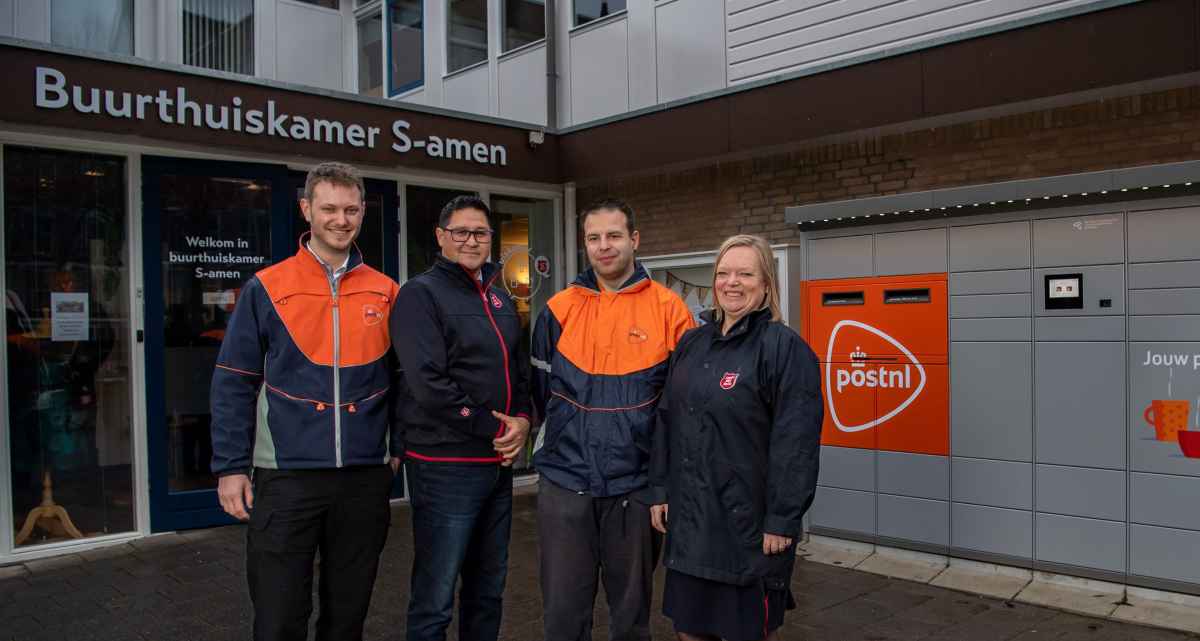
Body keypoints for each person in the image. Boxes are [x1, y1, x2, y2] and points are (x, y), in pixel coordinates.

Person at [210, 162, 400, 641]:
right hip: (286, 476)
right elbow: (233, 379)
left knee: (347, 616)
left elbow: (404, 380)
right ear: (307, 210)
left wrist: (396, 448)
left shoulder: (386, 289)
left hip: (362, 478)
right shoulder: (268, 286)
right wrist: (231, 467)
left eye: (352, 209)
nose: (342, 219)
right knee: (278, 617)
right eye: (330, 208)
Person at [531, 198, 694, 641]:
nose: (604, 246)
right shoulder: (559, 309)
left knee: (631, 620)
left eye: (614, 236)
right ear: (585, 245)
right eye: (594, 238)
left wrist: (665, 485)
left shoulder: (669, 309)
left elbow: (682, 410)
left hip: (636, 488)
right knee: (563, 617)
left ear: (634, 240)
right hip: (565, 484)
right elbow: (537, 394)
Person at [649, 234, 822, 641]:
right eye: (724, 273)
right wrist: (659, 489)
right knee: (688, 631)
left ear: (766, 285)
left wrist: (782, 520)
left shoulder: (784, 349)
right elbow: (666, 418)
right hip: (691, 523)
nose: (732, 282)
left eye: (746, 273)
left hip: (748, 530)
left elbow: (796, 445)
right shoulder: (692, 344)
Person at [391, 195, 531, 641]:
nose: (471, 241)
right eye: (461, 232)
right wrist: (497, 428)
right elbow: (427, 383)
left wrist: (524, 420)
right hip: (445, 464)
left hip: (497, 466)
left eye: (481, 233)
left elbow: (520, 369)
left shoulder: (499, 296)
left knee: (488, 590)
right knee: (436, 595)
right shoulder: (420, 294)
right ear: (441, 237)